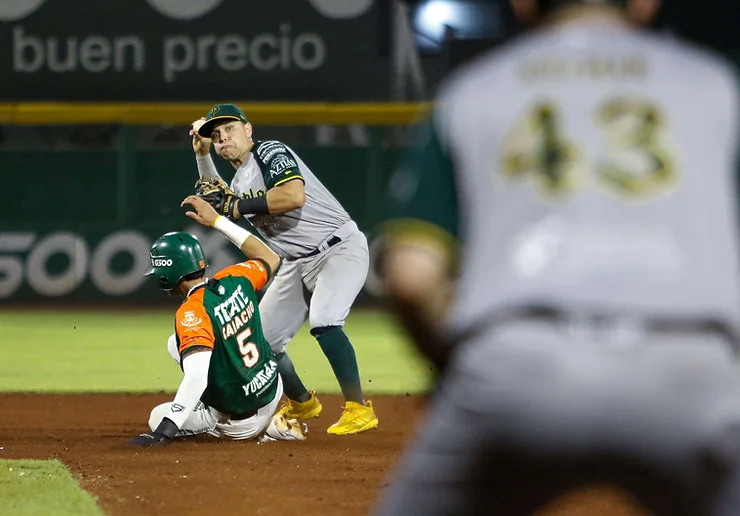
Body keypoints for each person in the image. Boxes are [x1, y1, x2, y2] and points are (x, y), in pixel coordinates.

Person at [376, 0, 740, 514]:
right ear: (644, 4)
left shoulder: (475, 90)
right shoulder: (715, 85)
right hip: (692, 370)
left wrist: (457, 370)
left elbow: (412, 277)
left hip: (519, 365)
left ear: (523, 4)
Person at [187, 104, 378, 435]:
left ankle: (359, 409)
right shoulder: (239, 177)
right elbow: (218, 195)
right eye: (216, 136)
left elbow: (292, 195)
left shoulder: (270, 151)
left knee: (325, 320)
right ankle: (303, 401)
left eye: (228, 129)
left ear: (248, 129)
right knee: (262, 342)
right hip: (296, 262)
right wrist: (202, 154)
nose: (222, 138)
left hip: (338, 248)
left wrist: (235, 206)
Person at [127, 195, 307, 446]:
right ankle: (268, 421)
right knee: (175, 343)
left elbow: (197, 376)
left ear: (166, 276)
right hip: (271, 389)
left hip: (240, 420)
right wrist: (218, 221)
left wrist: (164, 432)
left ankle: (265, 431)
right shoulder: (236, 277)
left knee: (158, 416)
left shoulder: (192, 311)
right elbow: (271, 258)